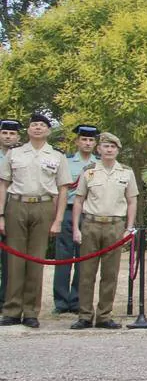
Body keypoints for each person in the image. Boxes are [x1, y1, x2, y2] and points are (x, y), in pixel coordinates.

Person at [0, 114, 73, 327]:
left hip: (43, 207)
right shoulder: (14, 154)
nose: (38, 128)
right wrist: (1, 215)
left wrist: (58, 219)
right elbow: (3, 185)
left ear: (49, 131)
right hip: (16, 205)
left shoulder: (57, 156)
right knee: (15, 261)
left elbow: (63, 189)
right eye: (34, 125)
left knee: (35, 260)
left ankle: (31, 311)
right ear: (28, 130)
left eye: (42, 125)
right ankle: (12, 310)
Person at [68, 131, 137, 330]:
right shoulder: (89, 171)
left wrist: (129, 228)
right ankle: (85, 315)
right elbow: (79, 200)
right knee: (86, 273)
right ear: (99, 149)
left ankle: (104, 315)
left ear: (117, 150)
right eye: (105, 146)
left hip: (115, 226)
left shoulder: (126, 172)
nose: (109, 150)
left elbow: (132, 201)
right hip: (91, 224)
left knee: (110, 274)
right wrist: (76, 228)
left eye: (113, 147)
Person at [52, 124, 98, 315]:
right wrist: (57, 216)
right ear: (77, 141)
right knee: (63, 257)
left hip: (89, 213)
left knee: (84, 259)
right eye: (84, 139)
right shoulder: (66, 161)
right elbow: (58, 188)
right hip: (68, 211)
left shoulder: (100, 163)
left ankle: (78, 300)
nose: (87, 143)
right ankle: (61, 302)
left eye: (91, 140)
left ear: (95, 143)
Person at [0, 117, 19, 306]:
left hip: (11, 210)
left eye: (12, 133)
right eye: (4, 133)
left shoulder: (20, 157)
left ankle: (5, 298)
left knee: (9, 259)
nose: (8, 136)